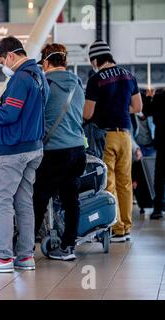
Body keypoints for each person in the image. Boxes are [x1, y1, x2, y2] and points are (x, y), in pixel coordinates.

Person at [0, 36, 49, 272]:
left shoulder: (20, 79)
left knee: (2, 201)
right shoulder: (40, 77)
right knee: (25, 202)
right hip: (35, 148)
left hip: (14, 150)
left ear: (11, 56)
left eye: (2, 61)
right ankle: (26, 256)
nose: (3, 66)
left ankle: (3, 256)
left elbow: (9, 115)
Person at [84, 40, 143, 242]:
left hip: (105, 136)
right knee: (125, 182)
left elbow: (87, 113)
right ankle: (126, 227)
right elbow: (138, 106)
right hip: (125, 135)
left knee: (108, 182)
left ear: (95, 59)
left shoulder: (96, 79)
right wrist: (120, 110)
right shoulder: (129, 76)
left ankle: (115, 227)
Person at [33, 43, 87, 261]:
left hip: (54, 151)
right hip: (77, 150)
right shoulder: (78, 83)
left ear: (45, 62)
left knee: (38, 198)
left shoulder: (44, 84)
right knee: (71, 200)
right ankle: (67, 247)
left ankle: (25, 249)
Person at [144, 88, 165, 219]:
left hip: (162, 142)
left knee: (160, 177)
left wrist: (148, 97)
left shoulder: (159, 96)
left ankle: (158, 208)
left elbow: (146, 111)